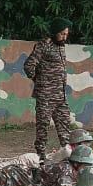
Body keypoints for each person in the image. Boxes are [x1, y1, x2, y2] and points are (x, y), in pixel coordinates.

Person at [24, 17, 74, 157]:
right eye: (62, 34)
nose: (65, 36)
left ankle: (67, 154)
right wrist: (38, 80)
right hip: (45, 96)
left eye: (66, 34)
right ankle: (41, 156)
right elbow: (29, 65)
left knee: (64, 126)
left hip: (60, 96)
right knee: (43, 128)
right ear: (54, 32)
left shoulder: (61, 46)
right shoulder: (43, 45)